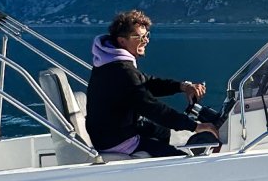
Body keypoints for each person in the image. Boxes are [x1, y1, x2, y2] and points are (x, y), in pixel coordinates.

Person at [86, 9, 216, 157]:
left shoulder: (110, 61)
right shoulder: (121, 71)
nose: (146, 40)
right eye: (140, 37)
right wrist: (196, 126)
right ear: (122, 40)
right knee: (179, 158)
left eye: (146, 35)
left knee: (163, 131)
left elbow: (146, 82)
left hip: (109, 132)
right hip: (117, 140)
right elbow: (151, 107)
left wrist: (183, 86)